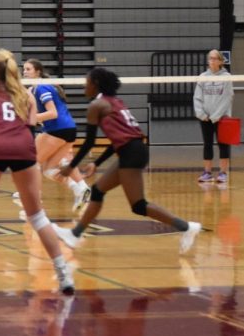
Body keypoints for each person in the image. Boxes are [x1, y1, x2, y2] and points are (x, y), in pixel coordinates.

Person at [0, 49, 74, 296]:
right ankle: (64, 274)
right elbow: (30, 129)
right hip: (23, 147)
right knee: (38, 217)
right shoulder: (26, 94)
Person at [55, 67, 203, 255]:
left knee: (138, 205)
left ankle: (186, 227)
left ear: (96, 84)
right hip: (133, 149)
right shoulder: (115, 102)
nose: (85, 85)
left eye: (87, 82)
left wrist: (71, 166)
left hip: (131, 152)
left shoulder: (96, 106)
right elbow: (119, 139)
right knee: (98, 191)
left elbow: (89, 142)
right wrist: (96, 163)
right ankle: (75, 234)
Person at [23, 58, 90, 212]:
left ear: (37, 71)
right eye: (24, 69)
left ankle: (33, 199)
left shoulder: (42, 88)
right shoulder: (34, 89)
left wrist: (34, 119)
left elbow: (52, 113)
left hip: (58, 130)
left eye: (28, 69)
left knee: (33, 162)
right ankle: (80, 188)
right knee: (49, 169)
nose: (25, 72)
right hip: (69, 129)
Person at [194, 49, 233, 184]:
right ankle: (207, 173)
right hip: (205, 117)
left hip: (222, 117)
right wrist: (201, 114)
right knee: (207, 144)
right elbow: (197, 97)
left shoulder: (226, 77)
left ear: (221, 61)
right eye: (210, 58)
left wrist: (217, 115)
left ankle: (223, 173)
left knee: (223, 145)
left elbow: (227, 98)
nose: (212, 60)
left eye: (215, 58)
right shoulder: (203, 76)